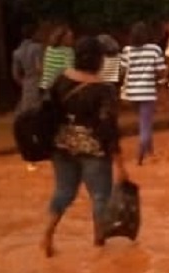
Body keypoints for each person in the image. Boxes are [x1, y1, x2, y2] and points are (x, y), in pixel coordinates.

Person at [42, 36, 129, 258]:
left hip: (62, 147)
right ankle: (99, 244)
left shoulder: (60, 81)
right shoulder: (104, 90)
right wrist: (120, 164)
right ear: (99, 60)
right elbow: (109, 128)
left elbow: (48, 112)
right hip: (94, 150)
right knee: (100, 197)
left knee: (63, 192)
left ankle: (47, 236)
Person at [120, 22, 167, 165]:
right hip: (147, 92)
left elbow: (122, 71)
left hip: (132, 93)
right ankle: (140, 154)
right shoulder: (154, 49)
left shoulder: (127, 50)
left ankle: (150, 151)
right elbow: (161, 71)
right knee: (145, 124)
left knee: (143, 121)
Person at [12, 23, 44, 115]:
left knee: (27, 112)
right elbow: (39, 67)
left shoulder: (17, 52)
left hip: (27, 84)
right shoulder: (37, 48)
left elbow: (15, 75)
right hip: (38, 82)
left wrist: (24, 82)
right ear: (34, 33)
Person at [40, 24, 75, 93]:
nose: (72, 39)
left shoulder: (49, 48)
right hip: (57, 88)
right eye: (70, 37)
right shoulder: (68, 51)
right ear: (62, 38)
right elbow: (70, 71)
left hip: (44, 86)